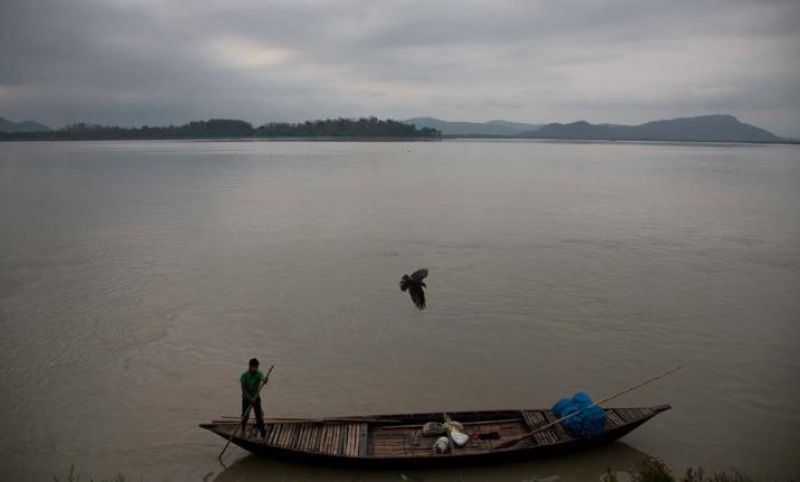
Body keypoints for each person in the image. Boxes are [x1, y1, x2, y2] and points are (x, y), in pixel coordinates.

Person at [240, 358, 267, 438]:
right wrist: (249, 398)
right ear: (250, 367)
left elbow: (263, 378)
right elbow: (243, 389)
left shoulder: (258, 374)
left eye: (256, 367)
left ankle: (263, 434)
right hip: (246, 398)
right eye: (254, 367)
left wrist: (265, 380)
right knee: (245, 416)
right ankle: (243, 431)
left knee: (259, 416)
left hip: (256, 398)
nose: (255, 369)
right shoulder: (244, 375)